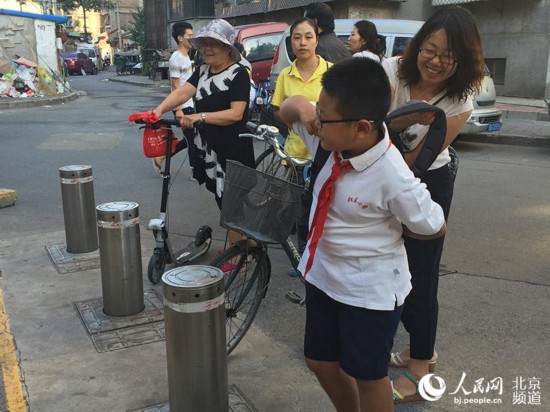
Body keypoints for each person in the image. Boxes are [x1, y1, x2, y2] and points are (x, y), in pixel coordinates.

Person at [277, 57, 446, 412]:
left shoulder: (393, 176)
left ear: (362, 128)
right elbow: (287, 110)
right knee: (320, 362)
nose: (317, 124)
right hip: (324, 277)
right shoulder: (329, 138)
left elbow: (433, 224)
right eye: (319, 113)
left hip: (369, 292)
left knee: (369, 376)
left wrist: (396, 232)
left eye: (325, 116)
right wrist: (306, 108)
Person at [381, 6, 484, 403]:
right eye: (430, 49)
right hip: (381, 176)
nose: (436, 61)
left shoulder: (460, 99)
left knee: (421, 276)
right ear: (418, 45)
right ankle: (415, 350)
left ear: (463, 61)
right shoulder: (391, 72)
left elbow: (418, 159)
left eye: (449, 55)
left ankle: (421, 365)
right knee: (387, 266)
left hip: (427, 181)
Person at [152, 19, 254, 246]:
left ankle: (240, 253)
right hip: (210, 146)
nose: (207, 48)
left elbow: (236, 114)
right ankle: (244, 245)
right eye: (204, 43)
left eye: (214, 43)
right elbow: (182, 93)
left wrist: (200, 117)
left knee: (231, 203)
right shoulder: (202, 71)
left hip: (233, 148)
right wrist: (157, 111)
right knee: (222, 200)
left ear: (228, 47)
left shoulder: (239, 73)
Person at [271, 17, 332, 276]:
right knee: (299, 209)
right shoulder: (286, 75)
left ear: (317, 40)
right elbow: (276, 110)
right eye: (297, 37)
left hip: (327, 153)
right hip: (295, 155)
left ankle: (326, 257)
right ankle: (304, 258)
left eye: (308, 36)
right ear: (291, 42)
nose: (302, 42)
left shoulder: (331, 72)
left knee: (325, 207)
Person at [152, 21, 197, 177]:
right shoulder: (176, 58)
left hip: (190, 103)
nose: (192, 39)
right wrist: (178, 109)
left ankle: (162, 156)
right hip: (182, 105)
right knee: (191, 139)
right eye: (189, 36)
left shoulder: (187, 56)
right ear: (180, 38)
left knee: (191, 137)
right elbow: (175, 86)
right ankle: (194, 170)